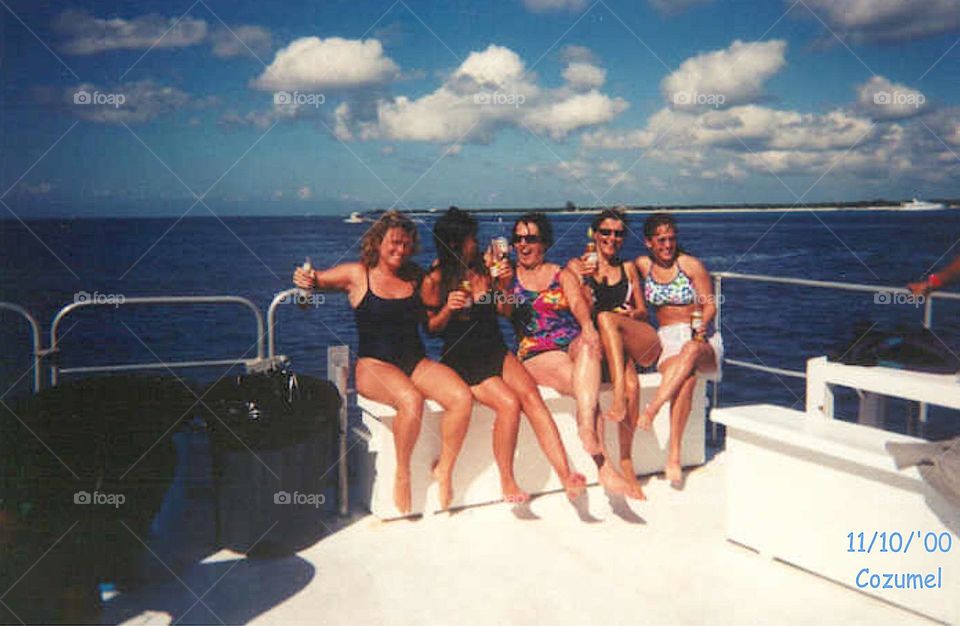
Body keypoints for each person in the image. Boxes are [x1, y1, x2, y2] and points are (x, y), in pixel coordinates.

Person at [292, 211, 473, 514]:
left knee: (461, 397)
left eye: (406, 244)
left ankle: (444, 469)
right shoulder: (357, 275)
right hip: (374, 366)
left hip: (415, 362)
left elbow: (431, 325)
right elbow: (312, 283)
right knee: (411, 401)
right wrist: (303, 279)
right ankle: (402, 474)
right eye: (394, 243)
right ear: (377, 242)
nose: (400, 250)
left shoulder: (415, 276)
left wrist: (456, 304)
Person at [421, 207, 587, 503]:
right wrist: (449, 308)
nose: (477, 243)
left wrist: (503, 286)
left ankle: (565, 474)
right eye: (472, 238)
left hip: (495, 350)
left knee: (532, 396)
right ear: (457, 242)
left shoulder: (485, 269)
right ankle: (507, 481)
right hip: (464, 361)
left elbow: (505, 310)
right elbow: (431, 329)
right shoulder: (435, 279)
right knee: (509, 404)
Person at [505, 211, 643, 498]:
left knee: (590, 346)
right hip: (536, 350)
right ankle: (604, 466)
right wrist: (498, 287)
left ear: (544, 243)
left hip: (569, 340)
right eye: (518, 239)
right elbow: (503, 310)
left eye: (530, 238)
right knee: (582, 385)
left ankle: (585, 428)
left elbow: (579, 304)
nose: (523, 245)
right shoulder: (508, 278)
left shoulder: (560, 273)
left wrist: (588, 328)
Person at [568, 208, 661, 497]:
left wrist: (633, 312)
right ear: (594, 234)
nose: (612, 238)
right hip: (607, 350)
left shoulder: (629, 268)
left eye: (618, 233)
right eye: (606, 232)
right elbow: (573, 308)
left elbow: (644, 311)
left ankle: (618, 403)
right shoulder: (577, 266)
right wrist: (582, 281)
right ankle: (624, 462)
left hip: (630, 339)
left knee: (608, 318)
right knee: (632, 384)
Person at [634, 213, 723, 487]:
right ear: (649, 242)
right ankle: (673, 455)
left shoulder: (690, 265)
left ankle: (653, 409)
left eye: (671, 239)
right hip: (667, 339)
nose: (668, 245)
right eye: (661, 240)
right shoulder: (641, 265)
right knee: (686, 380)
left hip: (699, 338)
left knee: (690, 351)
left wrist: (701, 326)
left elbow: (710, 304)